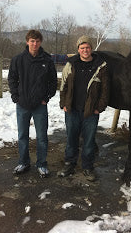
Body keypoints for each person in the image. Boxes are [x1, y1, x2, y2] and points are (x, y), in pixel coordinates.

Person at [59, 35, 109, 181]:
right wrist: (63, 104)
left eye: (87, 47)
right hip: (72, 109)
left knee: (88, 141)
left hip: (90, 112)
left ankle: (88, 167)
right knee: (71, 139)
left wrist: (99, 108)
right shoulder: (71, 64)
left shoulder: (100, 66)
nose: (85, 50)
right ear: (78, 50)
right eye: (82, 48)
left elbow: (106, 90)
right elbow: (63, 86)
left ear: (91, 48)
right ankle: (69, 165)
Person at [8, 29, 57, 177]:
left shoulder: (47, 60)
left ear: (40, 42)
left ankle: (41, 164)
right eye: (32, 41)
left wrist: (46, 97)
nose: (34, 44)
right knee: (23, 135)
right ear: (27, 42)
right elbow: (12, 79)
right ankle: (23, 162)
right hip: (22, 105)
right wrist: (16, 97)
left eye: (37, 41)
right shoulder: (18, 60)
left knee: (42, 137)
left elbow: (53, 81)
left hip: (39, 106)